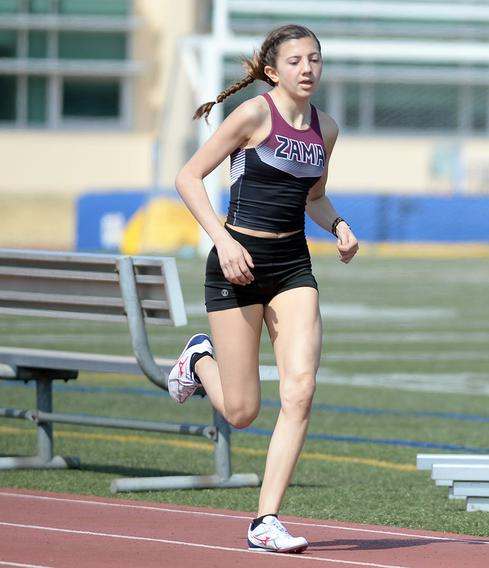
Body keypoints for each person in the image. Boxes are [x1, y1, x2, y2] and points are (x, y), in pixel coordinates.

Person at [168, 24, 358, 553]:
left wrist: (339, 224)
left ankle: (265, 520)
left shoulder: (327, 127)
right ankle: (198, 358)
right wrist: (222, 241)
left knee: (300, 389)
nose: (307, 68)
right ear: (273, 71)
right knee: (243, 412)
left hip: (293, 265)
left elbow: (315, 197)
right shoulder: (253, 114)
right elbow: (188, 177)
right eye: (296, 60)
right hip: (237, 265)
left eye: (315, 59)